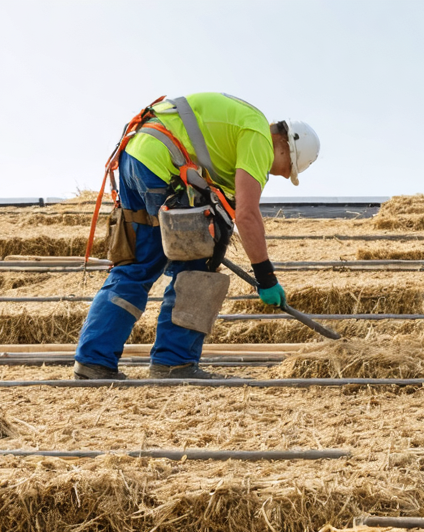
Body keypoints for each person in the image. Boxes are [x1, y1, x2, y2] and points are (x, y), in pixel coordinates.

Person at [73, 93, 320, 380]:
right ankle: (173, 363)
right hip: (162, 163)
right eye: (287, 169)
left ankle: (93, 362)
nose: (276, 174)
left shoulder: (236, 131)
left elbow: (227, 206)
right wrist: (266, 277)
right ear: (285, 147)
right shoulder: (260, 139)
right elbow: (248, 215)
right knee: (195, 267)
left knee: (138, 266)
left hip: (136, 154)